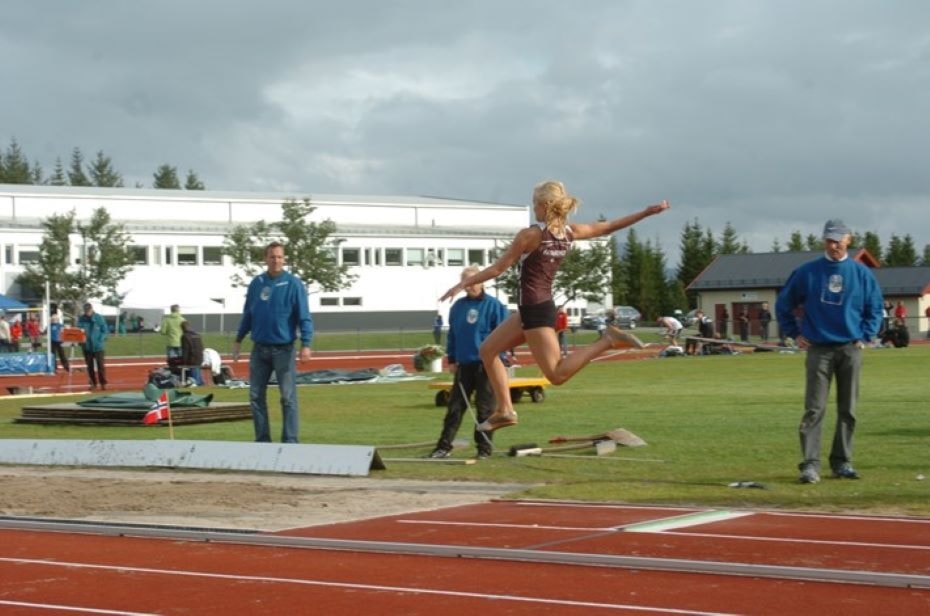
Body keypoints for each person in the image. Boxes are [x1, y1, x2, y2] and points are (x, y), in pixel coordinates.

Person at [439, 180, 669, 432]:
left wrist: (463, 283)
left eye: (535, 203)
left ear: (545, 205)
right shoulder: (569, 232)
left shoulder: (530, 235)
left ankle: (607, 340)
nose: (533, 208)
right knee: (487, 350)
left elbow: (498, 268)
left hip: (535, 310)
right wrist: (646, 213)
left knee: (556, 374)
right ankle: (504, 410)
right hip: (533, 308)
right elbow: (608, 227)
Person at [775, 219, 883, 484]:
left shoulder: (861, 274)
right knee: (814, 408)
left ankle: (842, 461)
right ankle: (810, 465)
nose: (833, 245)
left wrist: (866, 335)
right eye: (829, 241)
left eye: (838, 240)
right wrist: (795, 333)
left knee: (848, 409)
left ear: (848, 240)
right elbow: (784, 303)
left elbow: (875, 307)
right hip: (819, 349)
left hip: (850, 348)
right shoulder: (807, 272)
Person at [233, 241, 313, 443]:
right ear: (265, 259)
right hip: (259, 349)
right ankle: (262, 441)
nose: (276, 260)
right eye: (272, 256)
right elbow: (248, 313)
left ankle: (290, 441)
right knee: (255, 396)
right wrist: (238, 339)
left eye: (279, 257)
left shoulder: (293, 284)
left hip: (283, 349)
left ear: (284, 259)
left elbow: (304, 316)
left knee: (287, 397)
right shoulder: (257, 283)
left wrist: (306, 344)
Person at [429, 265, 509, 460]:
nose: (469, 286)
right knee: (454, 408)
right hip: (464, 365)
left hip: (486, 365)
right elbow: (453, 335)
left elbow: (504, 335)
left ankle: (484, 448)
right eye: (465, 283)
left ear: (482, 282)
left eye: (473, 282)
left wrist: (501, 359)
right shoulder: (457, 307)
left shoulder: (494, 306)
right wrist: (452, 359)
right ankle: (444, 447)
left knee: (485, 409)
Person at [77, 302, 109, 390]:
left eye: (88, 310)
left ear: (91, 309)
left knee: (100, 366)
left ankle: (103, 383)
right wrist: (80, 340)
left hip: (98, 346)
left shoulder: (99, 318)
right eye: (86, 311)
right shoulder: (81, 319)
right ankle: (93, 383)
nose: (87, 312)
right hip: (87, 347)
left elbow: (105, 330)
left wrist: (100, 339)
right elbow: (79, 331)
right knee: (90, 367)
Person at [180, 321, 206, 386]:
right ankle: (200, 382)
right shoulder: (197, 335)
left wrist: (184, 361)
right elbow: (202, 346)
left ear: (182, 328)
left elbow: (185, 350)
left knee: (194, 370)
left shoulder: (185, 336)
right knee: (197, 369)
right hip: (200, 356)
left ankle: (196, 382)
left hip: (192, 358)